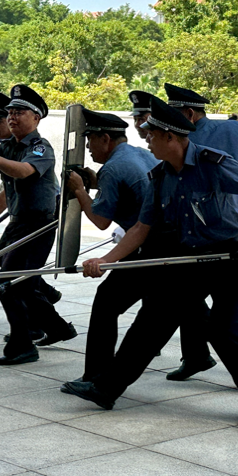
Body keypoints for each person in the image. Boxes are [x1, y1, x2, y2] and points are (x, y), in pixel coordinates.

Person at [60, 96, 238, 426]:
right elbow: (141, 228)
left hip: (230, 258)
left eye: (151, 136)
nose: (146, 141)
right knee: (153, 320)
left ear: (170, 137)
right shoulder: (160, 176)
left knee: (224, 329)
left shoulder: (214, 163)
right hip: (189, 258)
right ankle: (106, 389)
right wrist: (106, 260)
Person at [164, 82, 238, 381]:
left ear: (188, 114)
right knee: (195, 285)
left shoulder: (185, 140)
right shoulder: (235, 129)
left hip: (237, 218)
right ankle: (197, 355)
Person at [64, 107, 159, 381]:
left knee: (106, 303)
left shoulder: (113, 168)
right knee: (185, 307)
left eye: (90, 139)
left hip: (144, 246)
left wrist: (80, 191)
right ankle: (205, 356)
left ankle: (95, 376)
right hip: (164, 241)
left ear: (105, 139)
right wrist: (96, 184)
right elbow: (128, 196)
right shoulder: (141, 154)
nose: (87, 147)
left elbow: (101, 220)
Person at [0, 84, 76, 365]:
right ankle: (52, 324)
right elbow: (5, 188)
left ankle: (24, 343)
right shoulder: (7, 147)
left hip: (39, 224)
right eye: (10, 112)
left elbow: (24, 172)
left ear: (36, 117)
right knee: (14, 276)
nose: (12, 117)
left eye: (20, 112)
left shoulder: (40, 147)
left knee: (9, 282)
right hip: (19, 222)